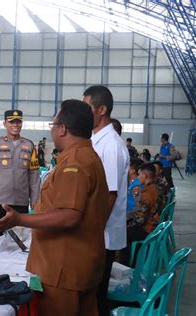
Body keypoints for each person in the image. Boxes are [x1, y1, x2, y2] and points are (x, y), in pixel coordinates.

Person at [0, 99, 110, 315]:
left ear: (63, 129)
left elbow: (68, 216)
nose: (53, 130)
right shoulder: (87, 157)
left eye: (53, 125)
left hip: (63, 270)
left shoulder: (75, 163)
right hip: (78, 264)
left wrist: (20, 219)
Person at [82, 85, 129, 316]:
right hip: (98, 232)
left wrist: (93, 231)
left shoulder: (110, 145)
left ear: (101, 110)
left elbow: (109, 195)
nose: (83, 113)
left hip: (102, 235)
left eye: (87, 107)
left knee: (96, 298)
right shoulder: (97, 140)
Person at [0, 110, 40, 246]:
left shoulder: (29, 145)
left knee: (19, 242)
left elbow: (34, 175)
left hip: (20, 202)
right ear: (5, 123)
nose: (15, 125)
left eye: (18, 122)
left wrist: (35, 199)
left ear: (22, 124)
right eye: (11, 122)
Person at [122, 163, 159, 264]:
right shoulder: (155, 188)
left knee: (123, 233)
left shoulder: (146, 194)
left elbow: (140, 220)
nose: (138, 177)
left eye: (139, 175)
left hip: (147, 229)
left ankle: (127, 264)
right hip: (154, 225)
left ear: (145, 176)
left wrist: (126, 223)